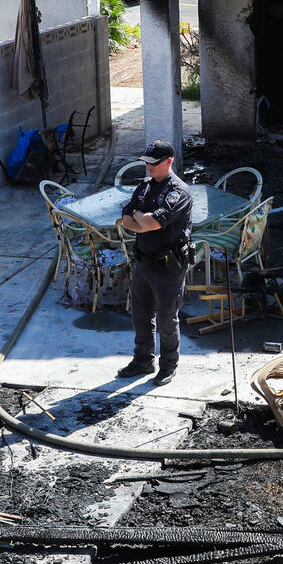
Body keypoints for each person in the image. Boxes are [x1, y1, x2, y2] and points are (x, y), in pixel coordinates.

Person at [118, 139, 193, 385]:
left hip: (168, 267)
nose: (149, 168)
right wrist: (143, 218)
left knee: (167, 319)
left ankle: (168, 365)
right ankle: (143, 360)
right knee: (140, 315)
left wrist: (142, 218)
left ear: (169, 162)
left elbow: (151, 223)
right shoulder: (145, 187)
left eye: (154, 163)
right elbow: (126, 220)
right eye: (147, 163)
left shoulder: (178, 191)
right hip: (143, 262)